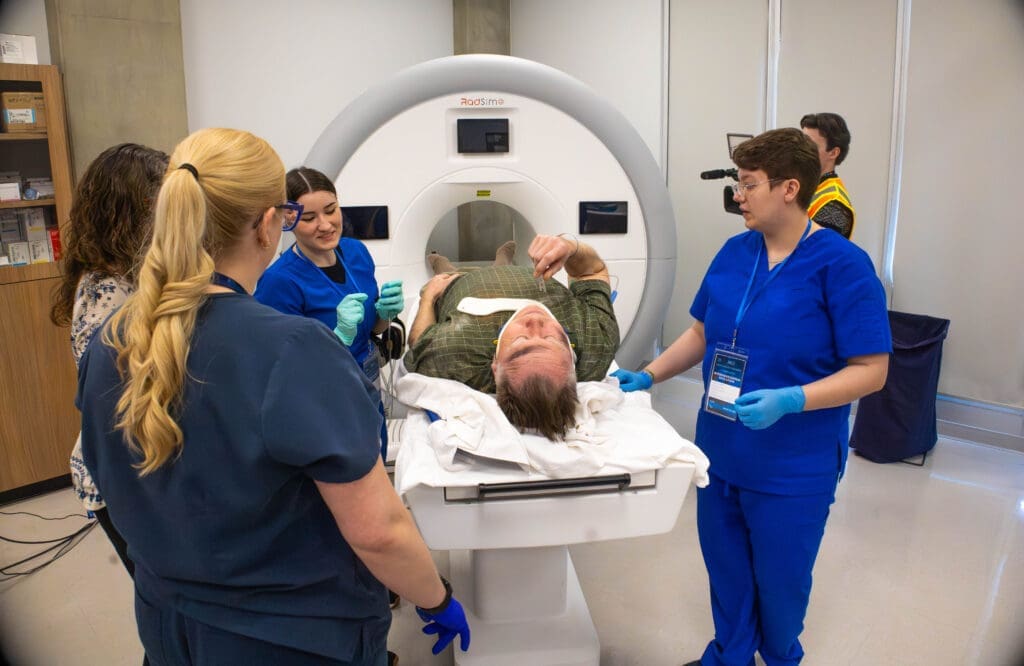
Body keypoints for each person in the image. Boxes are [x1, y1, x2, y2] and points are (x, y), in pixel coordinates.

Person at [77, 128, 469, 665]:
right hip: (292, 638)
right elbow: (378, 532)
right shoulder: (292, 348)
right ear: (270, 224)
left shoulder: (111, 342)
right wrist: (436, 597)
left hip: (170, 631)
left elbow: (118, 492)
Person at [612, 128, 890, 666]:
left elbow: (871, 371)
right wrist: (648, 376)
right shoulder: (734, 252)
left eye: (749, 184)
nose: (738, 194)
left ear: (790, 188)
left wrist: (792, 399)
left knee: (781, 583)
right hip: (720, 447)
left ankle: (781, 655)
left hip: (794, 462)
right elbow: (700, 333)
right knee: (727, 568)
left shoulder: (843, 266)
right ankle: (729, 654)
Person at [50, 142, 169, 577]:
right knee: (161, 599)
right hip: (121, 474)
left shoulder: (137, 276)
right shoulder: (103, 298)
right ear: (126, 214)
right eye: (162, 206)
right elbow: (116, 405)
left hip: (142, 464)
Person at [404, 233, 618, 439]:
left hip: (460, 284)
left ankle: (440, 261)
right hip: (530, 275)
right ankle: (503, 260)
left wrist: (429, 297)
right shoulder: (596, 345)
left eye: (521, 341)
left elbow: (419, 341)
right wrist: (571, 247)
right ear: (573, 361)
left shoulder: (457, 354)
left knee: (444, 272)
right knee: (505, 264)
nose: (535, 323)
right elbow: (591, 272)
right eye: (551, 339)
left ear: (495, 365)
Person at [256, 166, 403, 458]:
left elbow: (373, 329)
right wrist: (338, 338)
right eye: (309, 218)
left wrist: (385, 314)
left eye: (330, 210)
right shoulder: (279, 282)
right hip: (322, 399)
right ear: (289, 219)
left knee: (376, 453)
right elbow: (279, 371)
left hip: (367, 385)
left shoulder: (355, 252)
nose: (325, 225)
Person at [799, 112, 855, 238]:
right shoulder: (805, 184)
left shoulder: (834, 206)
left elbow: (817, 253)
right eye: (801, 143)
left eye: (810, 146)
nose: (801, 150)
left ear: (833, 153)